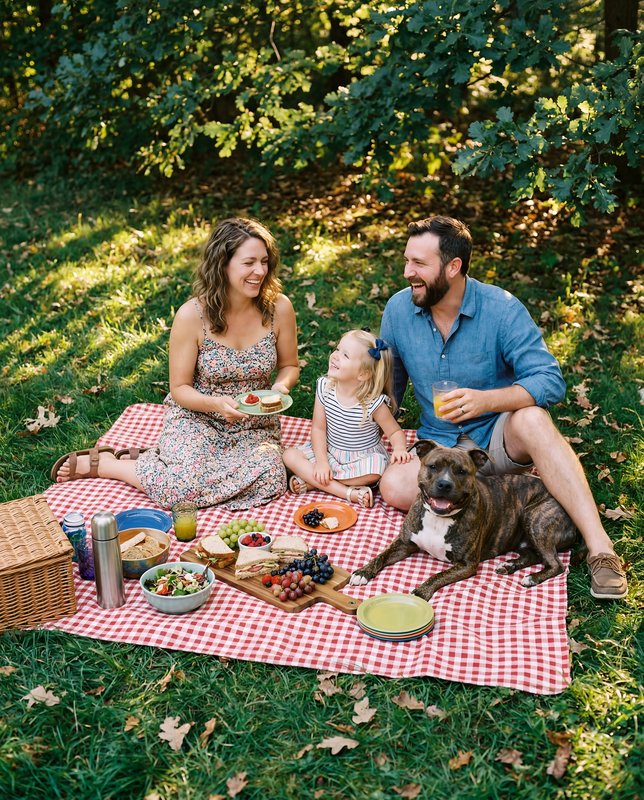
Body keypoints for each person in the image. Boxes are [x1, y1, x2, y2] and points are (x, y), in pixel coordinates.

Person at [378, 215, 628, 600]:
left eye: (419, 264)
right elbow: (388, 392)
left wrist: (488, 399)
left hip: (497, 439)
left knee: (533, 418)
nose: (408, 272)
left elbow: (549, 380)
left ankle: (600, 549)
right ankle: (510, 497)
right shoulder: (398, 310)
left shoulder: (501, 308)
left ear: (453, 266)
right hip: (443, 450)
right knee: (394, 485)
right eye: (407, 261)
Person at [51, 217, 299, 509]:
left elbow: (290, 366)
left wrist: (280, 389)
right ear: (223, 264)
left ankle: (160, 463)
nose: (259, 271)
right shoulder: (192, 316)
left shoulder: (278, 308)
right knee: (181, 491)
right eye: (249, 263)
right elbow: (180, 388)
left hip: (254, 422)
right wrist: (217, 404)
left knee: (272, 477)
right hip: (198, 415)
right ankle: (110, 465)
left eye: (264, 261)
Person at [282, 329, 412, 508]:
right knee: (289, 455)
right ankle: (347, 492)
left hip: (361, 459)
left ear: (363, 374)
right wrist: (321, 463)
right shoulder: (324, 388)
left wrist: (399, 448)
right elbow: (319, 429)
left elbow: (395, 431)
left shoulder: (373, 403)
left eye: (345, 355)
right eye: (337, 349)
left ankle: (314, 482)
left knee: (377, 470)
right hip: (329, 451)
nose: (335, 356)